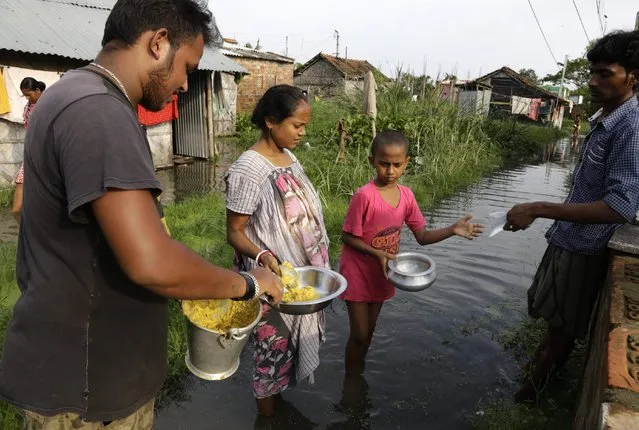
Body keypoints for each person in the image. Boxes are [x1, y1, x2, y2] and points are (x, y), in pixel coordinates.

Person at [0, 1, 283, 428]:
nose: (186, 85)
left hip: (79, 373)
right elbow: (149, 261)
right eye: (187, 67)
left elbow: (124, 236)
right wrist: (246, 283)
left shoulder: (72, 94)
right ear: (158, 43)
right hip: (88, 393)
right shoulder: (98, 111)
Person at [505, 30, 639, 403]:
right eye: (591, 73)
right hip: (570, 239)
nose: (593, 81)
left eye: (605, 74)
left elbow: (620, 206)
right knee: (554, 323)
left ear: (634, 76)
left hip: (586, 247)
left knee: (562, 331)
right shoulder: (606, 119)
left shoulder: (631, 127)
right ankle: (534, 385)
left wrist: (538, 208)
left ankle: (527, 399)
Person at [339, 130, 484, 375]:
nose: (390, 171)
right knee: (360, 333)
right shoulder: (365, 196)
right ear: (372, 161)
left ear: (406, 162)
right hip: (358, 273)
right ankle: (351, 380)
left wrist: (452, 229)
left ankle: (358, 372)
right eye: (384, 164)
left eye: (397, 164)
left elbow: (423, 237)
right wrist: (376, 253)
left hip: (385, 274)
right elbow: (346, 236)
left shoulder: (406, 196)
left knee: (370, 331)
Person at [225, 84, 330, 417]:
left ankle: (277, 406)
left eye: (304, 127)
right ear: (271, 121)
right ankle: (267, 419)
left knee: (286, 352)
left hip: (297, 280)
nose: (301, 133)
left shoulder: (289, 156)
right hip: (268, 282)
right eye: (296, 125)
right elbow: (234, 232)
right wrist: (263, 256)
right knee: (270, 354)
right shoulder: (248, 169)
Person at [11, 77, 46, 223]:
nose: (27, 97)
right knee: (17, 206)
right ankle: (24, 229)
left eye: (28, 94)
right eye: (24, 95)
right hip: (30, 152)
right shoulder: (29, 106)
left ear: (38, 91)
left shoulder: (48, 104)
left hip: (45, 153)